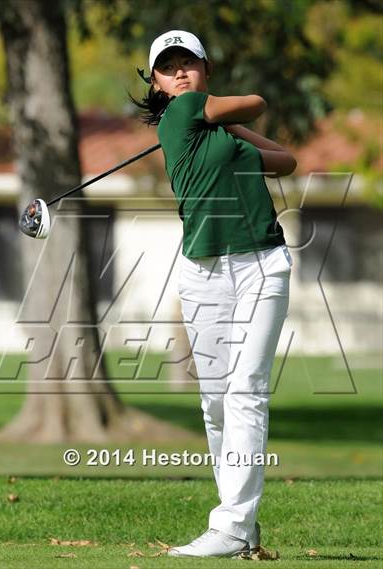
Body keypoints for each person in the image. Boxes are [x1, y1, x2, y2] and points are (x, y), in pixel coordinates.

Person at [133, 30, 296, 558]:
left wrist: (226, 124)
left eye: (190, 64)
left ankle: (229, 527)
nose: (180, 73)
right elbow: (258, 104)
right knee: (214, 402)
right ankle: (241, 531)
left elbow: (286, 159)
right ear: (156, 84)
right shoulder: (178, 116)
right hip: (202, 273)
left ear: (206, 71)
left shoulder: (217, 133)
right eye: (168, 67)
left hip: (260, 266)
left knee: (244, 390)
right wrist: (217, 115)